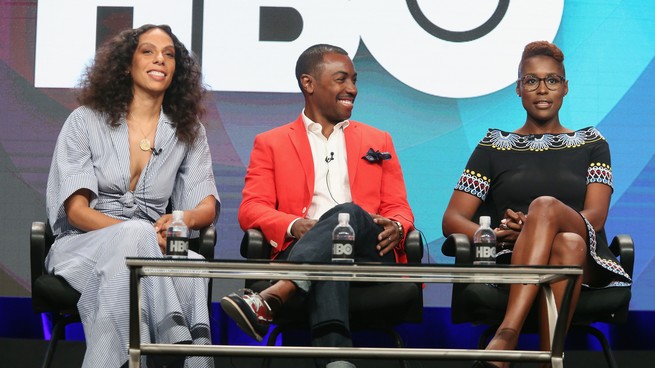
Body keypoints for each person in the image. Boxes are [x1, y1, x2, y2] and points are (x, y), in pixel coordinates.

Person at [220, 44, 414, 368]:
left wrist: (397, 225)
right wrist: (295, 225)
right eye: (341, 80)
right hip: (302, 245)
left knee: (348, 213)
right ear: (308, 84)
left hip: (369, 253)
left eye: (354, 80)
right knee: (336, 246)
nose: (352, 89)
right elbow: (252, 208)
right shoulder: (271, 143)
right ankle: (336, 361)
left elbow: (399, 207)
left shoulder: (378, 140)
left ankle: (275, 295)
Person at [442, 41, 631, 368]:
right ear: (518, 89)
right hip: (513, 259)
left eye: (552, 80)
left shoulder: (593, 144)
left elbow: (596, 217)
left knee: (549, 212)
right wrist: (498, 235)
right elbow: (453, 218)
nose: (542, 89)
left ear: (565, 87)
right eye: (531, 81)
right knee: (566, 244)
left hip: (588, 258)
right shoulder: (493, 147)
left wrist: (535, 225)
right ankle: (550, 362)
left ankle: (506, 335)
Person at [45, 24, 219, 368]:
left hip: (151, 246)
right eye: (149, 51)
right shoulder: (85, 121)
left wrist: (182, 219)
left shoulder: (187, 130)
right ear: (127, 64)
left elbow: (206, 204)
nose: (160, 60)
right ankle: (176, 345)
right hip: (83, 245)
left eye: (169, 55)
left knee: (194, 265)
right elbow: (77, 211)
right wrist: (139, 234)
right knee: (136, 233)